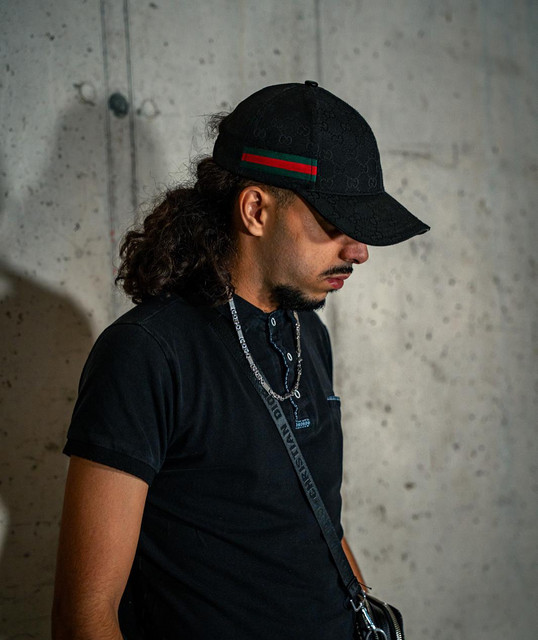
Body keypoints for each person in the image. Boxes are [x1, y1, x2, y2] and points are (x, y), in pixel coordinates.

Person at [52, 81, 429, 640]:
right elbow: (84, 615)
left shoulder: (307, 332)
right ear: (255, 210)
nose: (359, 251)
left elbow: (314, 513)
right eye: (334, 222)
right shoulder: (147, 353)